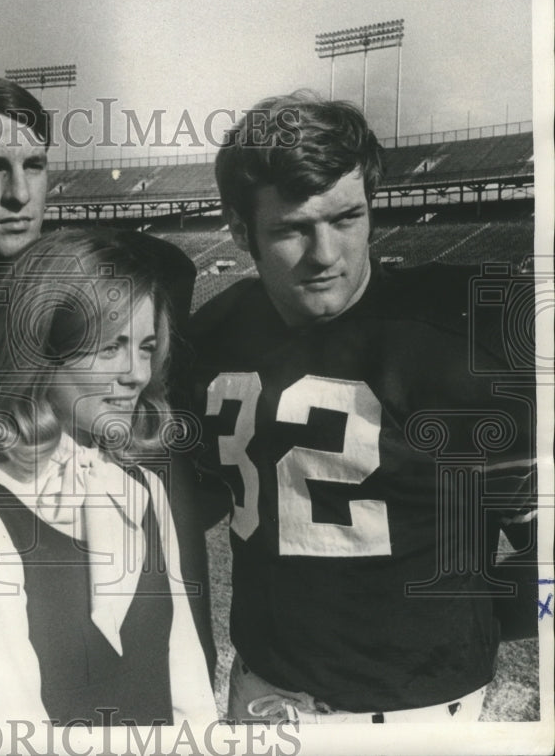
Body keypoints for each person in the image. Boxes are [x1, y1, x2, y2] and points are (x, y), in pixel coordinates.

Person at [188, 91, 537, 723]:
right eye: (293, 228)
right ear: (240, 231)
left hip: (414, 713)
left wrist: (455, 634)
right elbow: (200, 494)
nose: (326, 254)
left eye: (347, 218)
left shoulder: (458, 335)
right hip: (262, 693)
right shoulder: (217, 329)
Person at [0, 72, 216, 679]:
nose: (19, 194)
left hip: (108, 590)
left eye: (34, 165)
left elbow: (170, 483)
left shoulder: (108, 283)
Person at [0, 228, 217, 725]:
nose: (136, 373)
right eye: (110, 347)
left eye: (147, 346)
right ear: (40, 351)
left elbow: (188, 690)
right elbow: (1, 733)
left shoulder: (145, 491)